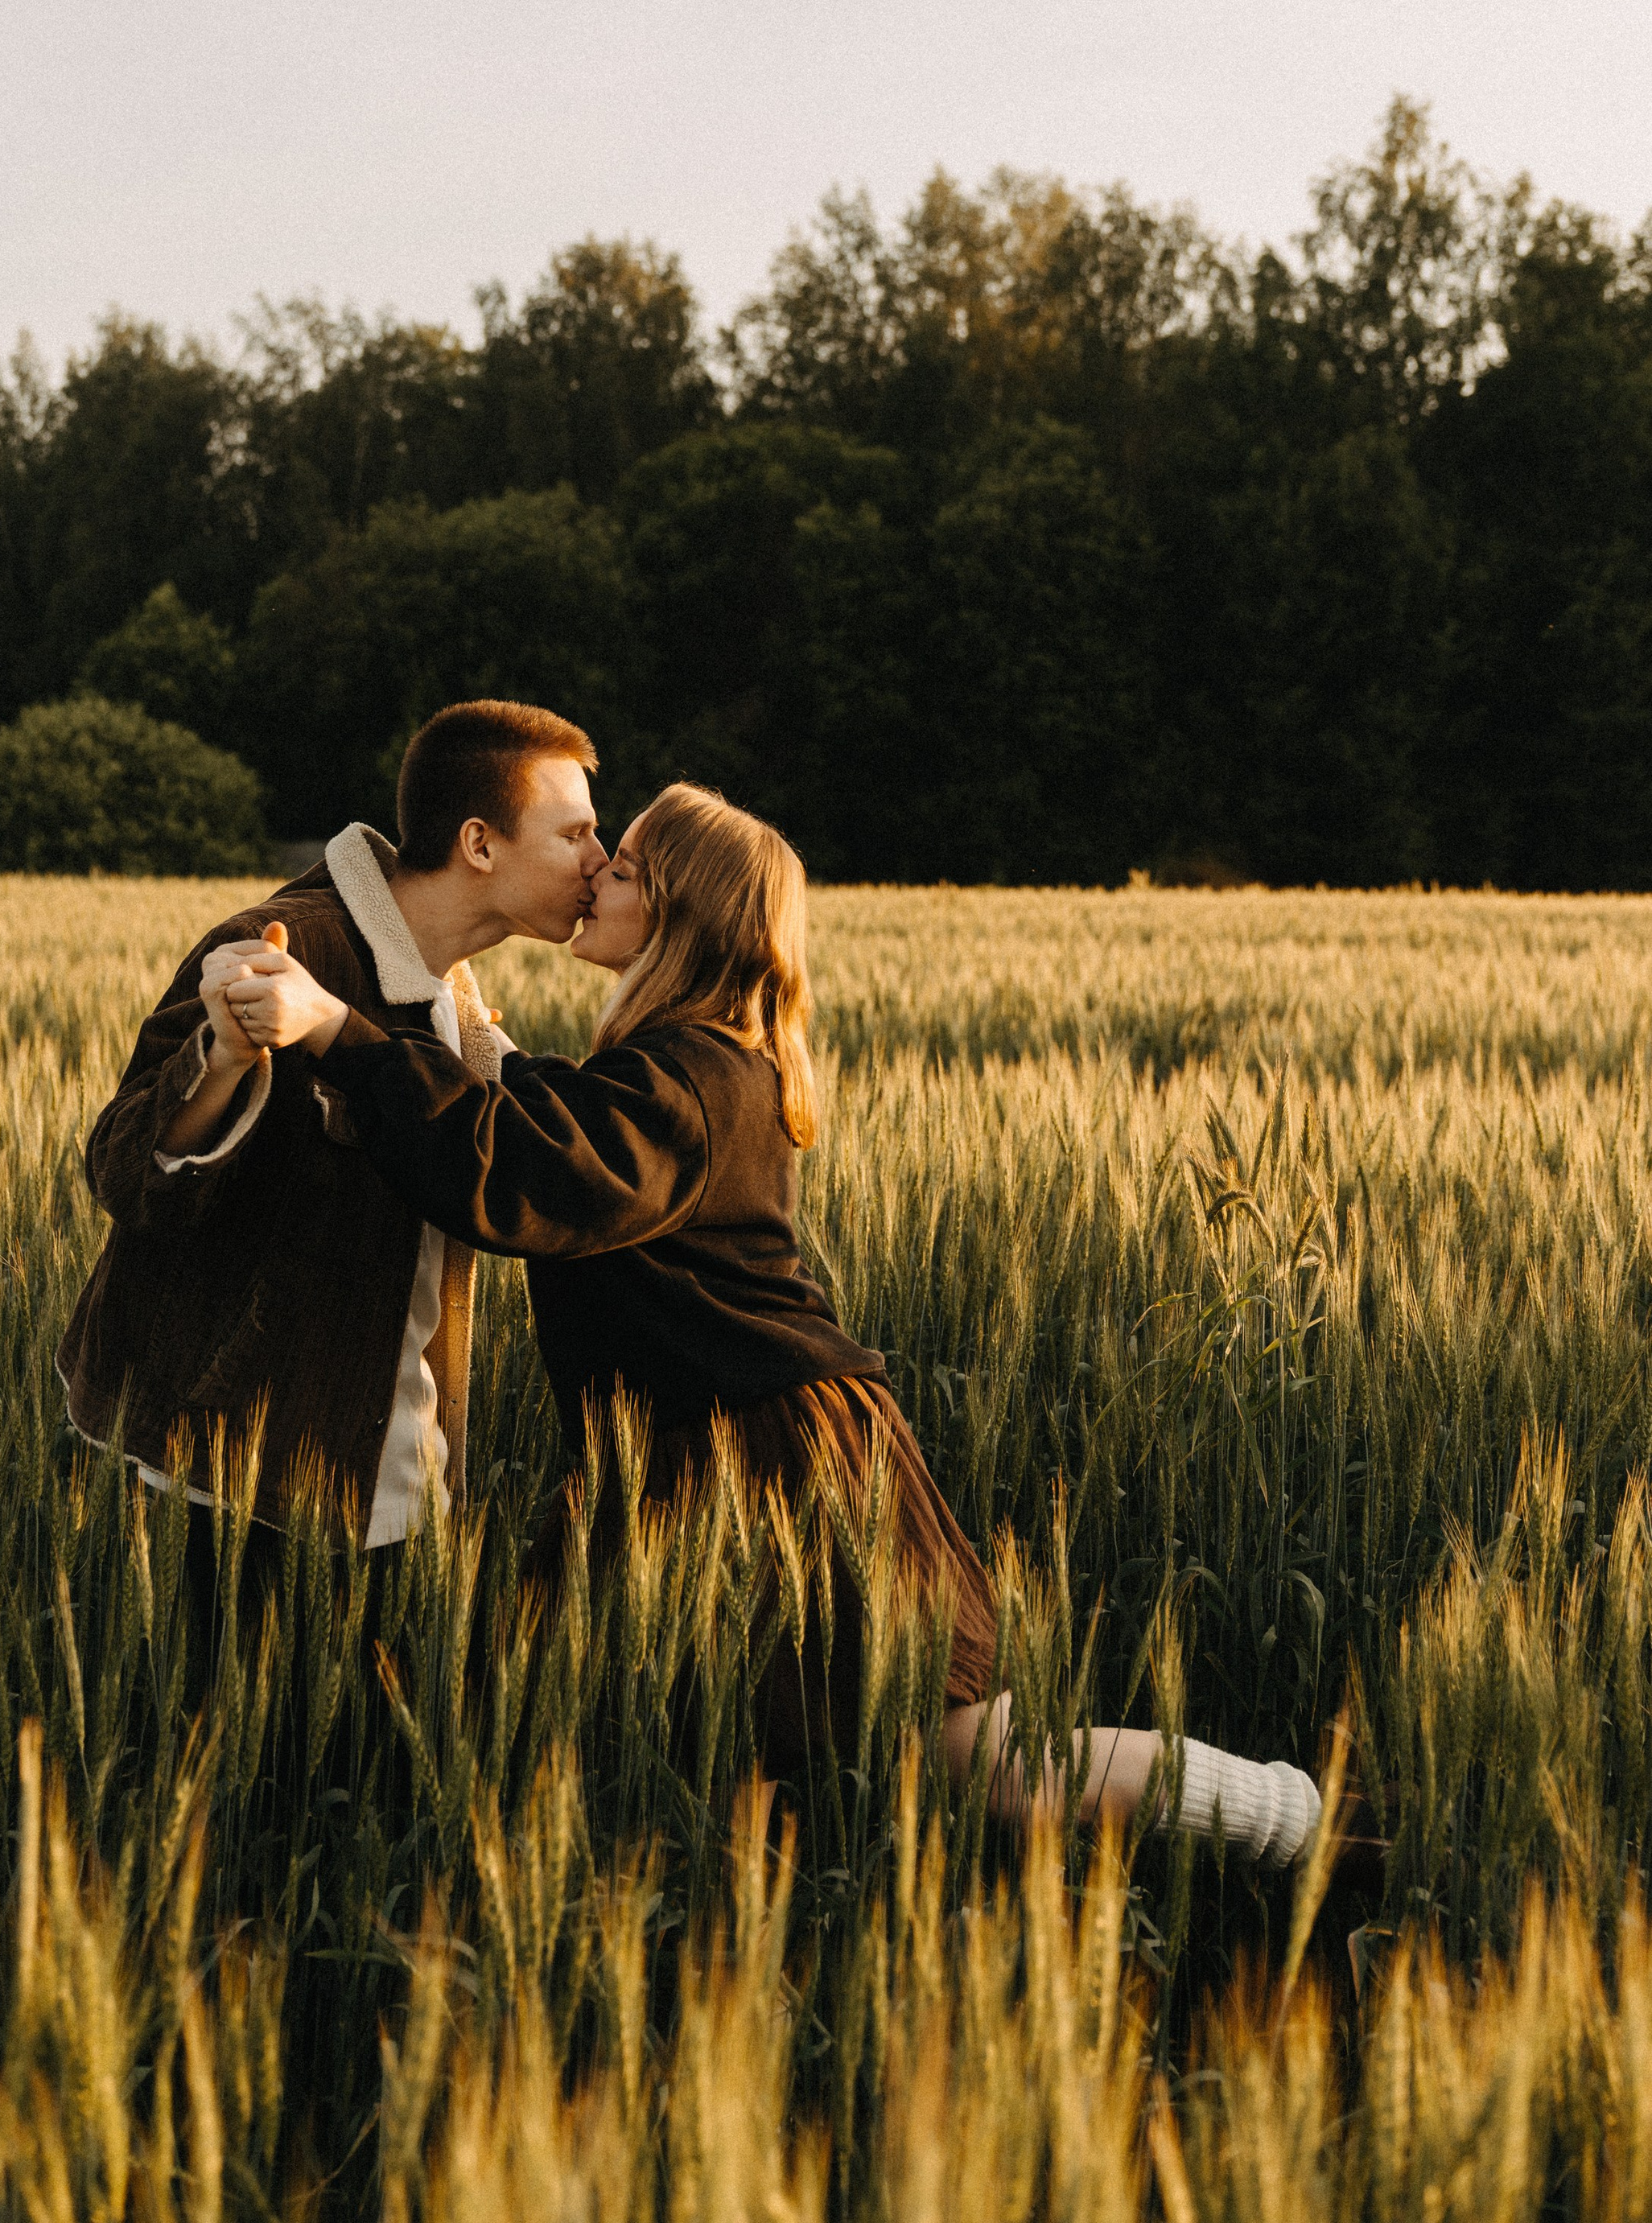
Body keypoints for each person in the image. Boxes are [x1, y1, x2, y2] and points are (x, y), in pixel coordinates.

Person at [219, 780, 1329, 1867]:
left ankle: (1292, 1821)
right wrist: (477, 1055)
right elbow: (559, 1127)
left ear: (681, 916)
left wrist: (338, 1034)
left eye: (629, 865)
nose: (597, 871)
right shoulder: (688, 1064)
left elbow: (526, 1174)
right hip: (703, 1454)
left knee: (968, 1754)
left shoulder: (691, 1076)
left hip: (776, 1460)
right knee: (638, 1752)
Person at [55, 699, 607, 1644]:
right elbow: (124, 1174)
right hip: (223, 1489)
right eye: (576, 833)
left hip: (393, 1483)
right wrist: (221, 1058)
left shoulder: (455, 1006)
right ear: (479, 842)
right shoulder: (284, 948)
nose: (600, 859)